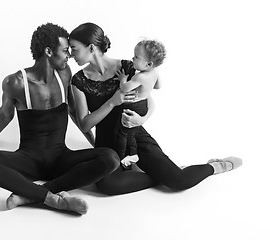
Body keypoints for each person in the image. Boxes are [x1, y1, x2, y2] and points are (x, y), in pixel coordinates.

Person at [69, 22, 242, 195]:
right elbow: (84, 124)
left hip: (135, 134)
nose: (71, 54)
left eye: (74, 48)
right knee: (108, 185)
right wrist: (112, 102)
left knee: (179, 181)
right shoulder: (79, 81)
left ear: (91, 48)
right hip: (107, 145)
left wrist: (142, 119)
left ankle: (216, 165)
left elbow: (149, 101)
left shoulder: (128, 67)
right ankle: (160, 175)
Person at [0, 23, 119, 215]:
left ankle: (33, 195)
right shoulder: (15, 82)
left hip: (61, 158)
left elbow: (73, 112)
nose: (69, 55)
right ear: (48, 51)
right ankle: (54, 200)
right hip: (28, 161)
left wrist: (94, 145)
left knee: (110, 158)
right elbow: (6, 114)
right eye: (64, 50)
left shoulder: (64, 75)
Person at [114, 39, 164, 169]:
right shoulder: (155, 73)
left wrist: (123, 79)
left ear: (148, 64)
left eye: (136, 57)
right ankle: (132, 153)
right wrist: (145, 91)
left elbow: (124, 88)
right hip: (143, 105)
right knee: (132, 132)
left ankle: (122, 158)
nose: (132, 58)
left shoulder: (140, 77)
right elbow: (158, 86)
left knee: (123, 133)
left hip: (133, 106)